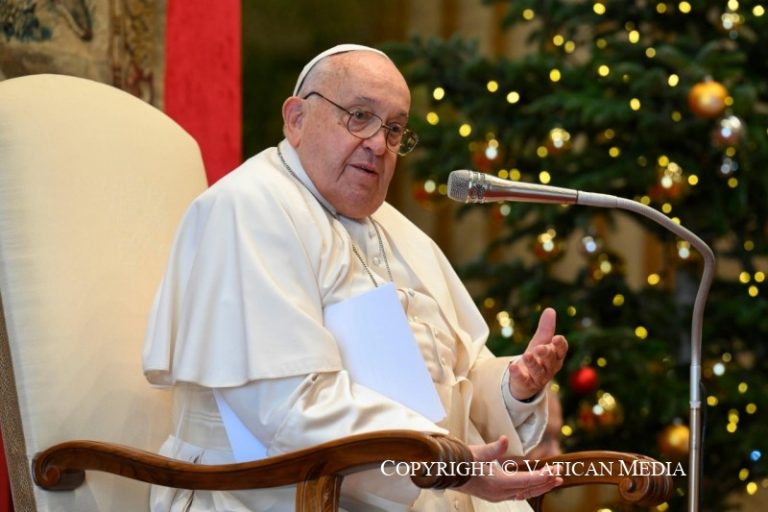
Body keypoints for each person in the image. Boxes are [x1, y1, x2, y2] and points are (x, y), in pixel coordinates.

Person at [142, 43, 569, 511]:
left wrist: (514, 387)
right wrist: (442, 462)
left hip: (418, 484)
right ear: (296, 119)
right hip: (270, 494)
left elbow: (457, 380)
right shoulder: (248, 208)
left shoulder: (398, 231)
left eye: (394, 129)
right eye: (359, 117)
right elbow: (289, 408)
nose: (378, 144)